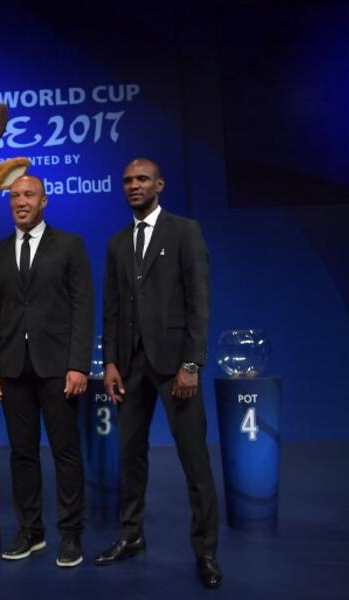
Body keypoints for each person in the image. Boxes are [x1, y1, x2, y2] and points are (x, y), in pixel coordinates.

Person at [96, 158, 222, 588]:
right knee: (130, 460)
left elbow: (198, 304)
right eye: (128, 179)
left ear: (159, 185)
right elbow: (111, 309)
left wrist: (192, 364)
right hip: (130, 368)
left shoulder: (185, 231)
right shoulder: (116, 243)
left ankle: (205, 552)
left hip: (175, 369)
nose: (134, 185)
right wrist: (111, 361)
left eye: (142, 179)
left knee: (195, 463)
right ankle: (130, 537)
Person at [0, 175, 94, 568]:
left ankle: (70, 535)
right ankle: (30, 532)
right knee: (21, 454)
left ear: (44, 201)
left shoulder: (69, 245)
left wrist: (78, 364)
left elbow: (83, 307)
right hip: (12, 368)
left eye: (28, 195)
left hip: (58, 368)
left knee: (65, 452)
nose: (20, 202)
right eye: (14, 197)